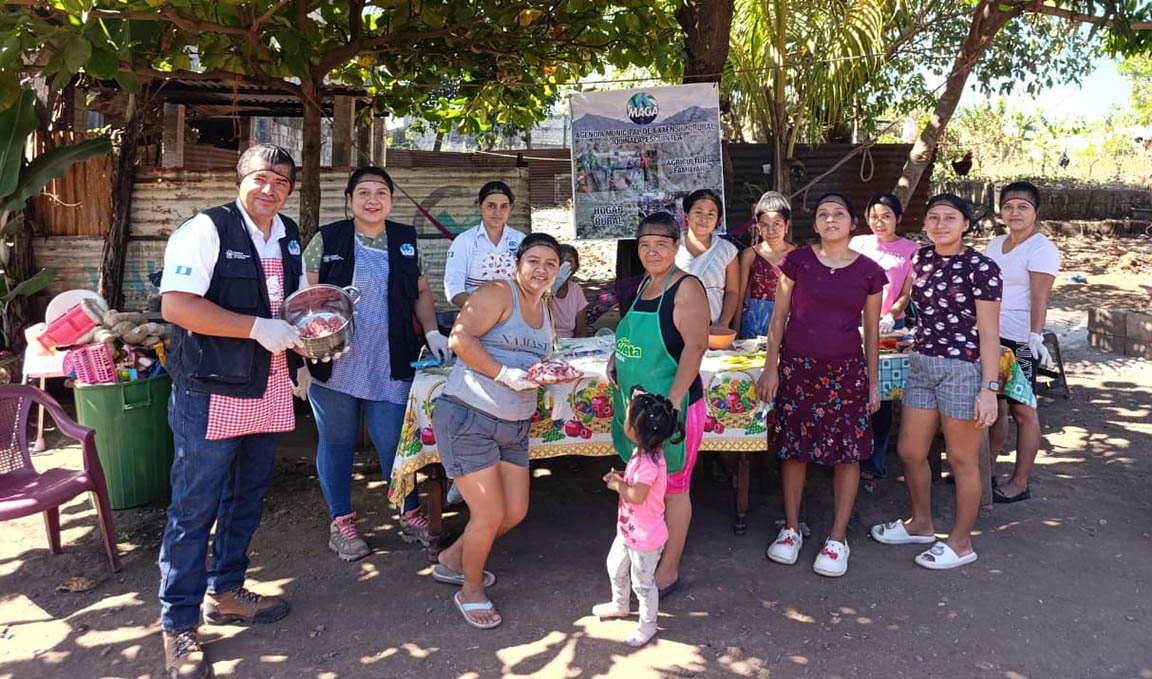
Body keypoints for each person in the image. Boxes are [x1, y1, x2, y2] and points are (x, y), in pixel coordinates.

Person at [157, 144, 307, 678]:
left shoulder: (288, 235)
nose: (271, 189)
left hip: (268, 385)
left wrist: (305, 352)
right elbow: (177, 305)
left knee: (247, 495)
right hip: (210, 389)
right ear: (240, 180)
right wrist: (254, 327)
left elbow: (297, 304)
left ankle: (226, 591)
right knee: (194, 507)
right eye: (261, 178)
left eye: (282, 182)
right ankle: (178, 624)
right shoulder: (206, 230)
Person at [298, 166, 450, 561]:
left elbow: (421, 292)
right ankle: (342, 521)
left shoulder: (405, 239)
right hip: (334, 361)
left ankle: (409, 512)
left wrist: (432, 332)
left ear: (391, 200)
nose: (372, 200)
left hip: (389, 359)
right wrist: (300, 358)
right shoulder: (327, 238)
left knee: (394, 442)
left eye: (381, 192)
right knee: (337, 441)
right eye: (363, 192)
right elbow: (304, 297)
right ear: (349, 200)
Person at [430, 233, 561, 629]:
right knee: (488, 514)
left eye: (550, 264)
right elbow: (460, 338)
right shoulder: (498, 293)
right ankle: (470, 591)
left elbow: (537, 361)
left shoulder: (545, 308)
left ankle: (452, 560)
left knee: (514, 512)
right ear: (517, 264)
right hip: (470, 416)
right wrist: (504, 374)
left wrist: (550, 376)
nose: (541, 269)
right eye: (534, 261)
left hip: (515, 424)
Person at [871, 194, 1003, 569]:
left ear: (965, 224)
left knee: (961, 459)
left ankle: (961, 543)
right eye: (933, 217)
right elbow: (920, 307)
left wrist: (988, 388)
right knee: (910, 451)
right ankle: (921, 524)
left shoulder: (982, 267)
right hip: (922, 365)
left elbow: (989, 331)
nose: (940, 224)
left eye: (949, 218)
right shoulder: (921, 259)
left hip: (963, 369)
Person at [757, 192, 884, 578]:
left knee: (848, 453)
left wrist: (873, 384)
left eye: (839, 214)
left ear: (852, 223)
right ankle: (791, 529)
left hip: (846, 373)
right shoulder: (797, 262)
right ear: (814, 224)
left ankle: (837, 538)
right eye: (823, 214)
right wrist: (771, 368)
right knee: (794, 449)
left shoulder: (869, 272)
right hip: (798, 369)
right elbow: (778, 318)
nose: (831, 220)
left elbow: (872, 333)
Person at [608, 212, 708, 596]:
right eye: (645, 245)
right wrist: (616, 358)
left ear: (676, 246)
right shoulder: (645, 284)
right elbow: (634, 335)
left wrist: (674, 404)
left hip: (670, 411)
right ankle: (644, 551)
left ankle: (668, 568)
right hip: (639, 410)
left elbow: (695, 347)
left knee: (674, 487)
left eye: (661, 245)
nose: (652, 252)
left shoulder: (686, 288)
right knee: (645, 484)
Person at [984, 181, 1059, 503]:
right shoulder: (994, 244)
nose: (1014, 212)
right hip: (991, 335)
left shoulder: (1041, 248)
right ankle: (985, 469)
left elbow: (1040, 297)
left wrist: (1035, 337)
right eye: (1008, 206)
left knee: (1023, 410)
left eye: (1023, 207)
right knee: (996, 404)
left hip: (1021, 339)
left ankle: (1020, 482)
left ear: (1035, 211)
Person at [592, 388, 683, 648]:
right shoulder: (644, 453)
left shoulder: (648, 463)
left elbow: (636, 495)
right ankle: (620, 604)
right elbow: (640, 484)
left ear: (636, 430)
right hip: (628, 531)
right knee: (615, 566)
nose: (625, 421)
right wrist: (624, 476)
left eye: (628, 418)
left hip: (645, 539)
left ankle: (648, 624)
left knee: (643, 584)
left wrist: (617, 485)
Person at [850, 193, 920, 485]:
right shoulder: (857, 244)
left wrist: (890, 316)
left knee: (883, 393)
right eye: (874, 217)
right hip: (853, 323)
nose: (880, 223)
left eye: (887, 217)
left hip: (890, 327)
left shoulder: (911, 250)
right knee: (853, 389)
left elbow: (906, 292)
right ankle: (847, 456)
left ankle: (873, 461)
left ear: (898, 219)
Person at [443, 181, 526, 308]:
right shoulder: (464, 241)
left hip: (514, 313)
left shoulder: (521, 240)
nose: (498, 212)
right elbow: (454, 289)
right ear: (479, 206)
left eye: (503, 206)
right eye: (491, 206)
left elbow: (529, 284)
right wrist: (485, 310)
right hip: (475, 313)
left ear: (511, 208)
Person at [674, 189, 740, 327]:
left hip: (713, 327)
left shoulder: (727, 251)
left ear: (717, 220)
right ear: (686, 215)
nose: (704, 219)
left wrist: (722, 324)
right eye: (698, 212)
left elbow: (732, 292)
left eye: (711, 214)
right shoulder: (672, 247)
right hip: (673, 325)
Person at [736, 191, 794, 339]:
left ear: (786, 225)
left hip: (788, 324)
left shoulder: (797, 255)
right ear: (758, 227)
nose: (771, 231)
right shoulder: (750, 255)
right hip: (753, 325)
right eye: (765, 225)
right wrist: (735, 334)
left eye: (777, 224)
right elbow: (739, 297)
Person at [551, 244, 589, 338]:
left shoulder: (576, 290)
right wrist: (552, 288)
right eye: (561, 261)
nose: (565, 266)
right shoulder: (540, 288)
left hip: (569, 342)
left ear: (575, 267)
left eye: (569, 262)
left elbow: (581, 331)